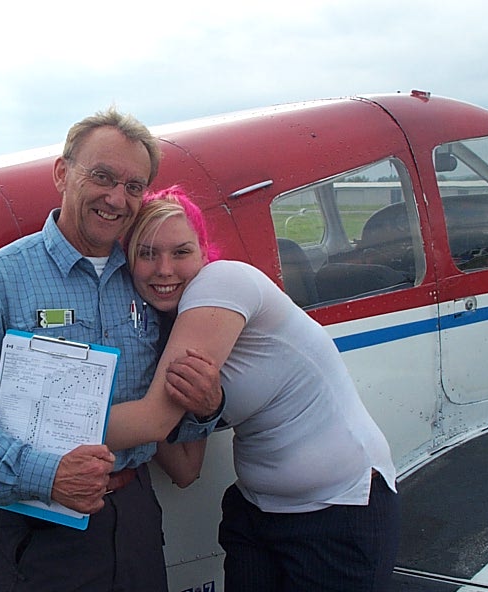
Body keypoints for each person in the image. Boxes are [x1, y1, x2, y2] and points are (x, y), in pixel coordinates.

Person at [0, 110, 222, 592]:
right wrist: (47, 475)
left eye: (133, 186)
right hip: (39, 526)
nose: (116, 198)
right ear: (62, 173)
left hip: (135, 516)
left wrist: (206, 409)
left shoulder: (148, 280)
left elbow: (168, 402)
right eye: (101, 177)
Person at [106, 185, 401, 591]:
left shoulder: (222, 281)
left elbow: (155, 423)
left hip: (339, 511)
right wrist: (145, 386)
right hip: (257, 512)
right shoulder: (167, 329)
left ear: (204, 253)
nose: (164, 269)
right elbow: (185, 467)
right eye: (147, 254)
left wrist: (43, 432)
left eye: (181, 252)